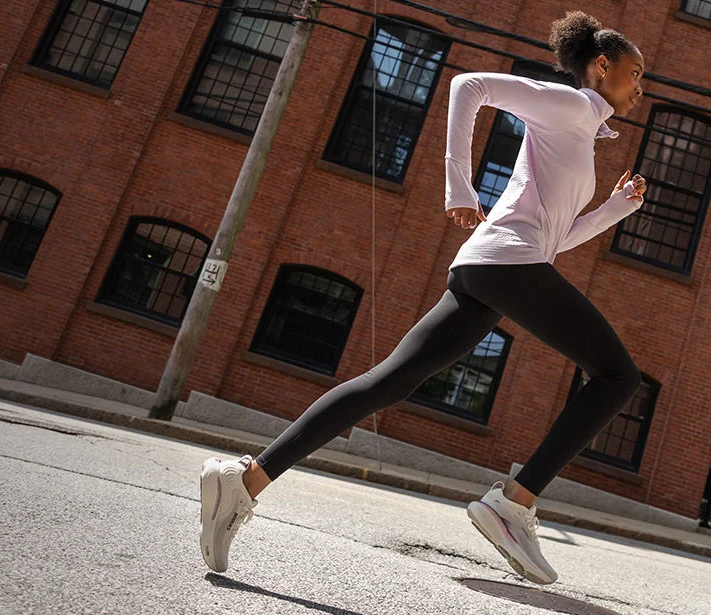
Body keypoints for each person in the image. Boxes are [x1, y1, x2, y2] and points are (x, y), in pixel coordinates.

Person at [198, 10, 647, 585]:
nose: (639, 89)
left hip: (496, 267)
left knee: (388, 382)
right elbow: (470, 85)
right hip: (505, 263)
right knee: (616, 375)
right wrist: (458, 184)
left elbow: (554, 239)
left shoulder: (580, 132)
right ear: (601, 67)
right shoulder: (574, 106)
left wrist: (614, 210)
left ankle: (244, 480)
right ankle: (513, 503)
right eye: (634, 75)